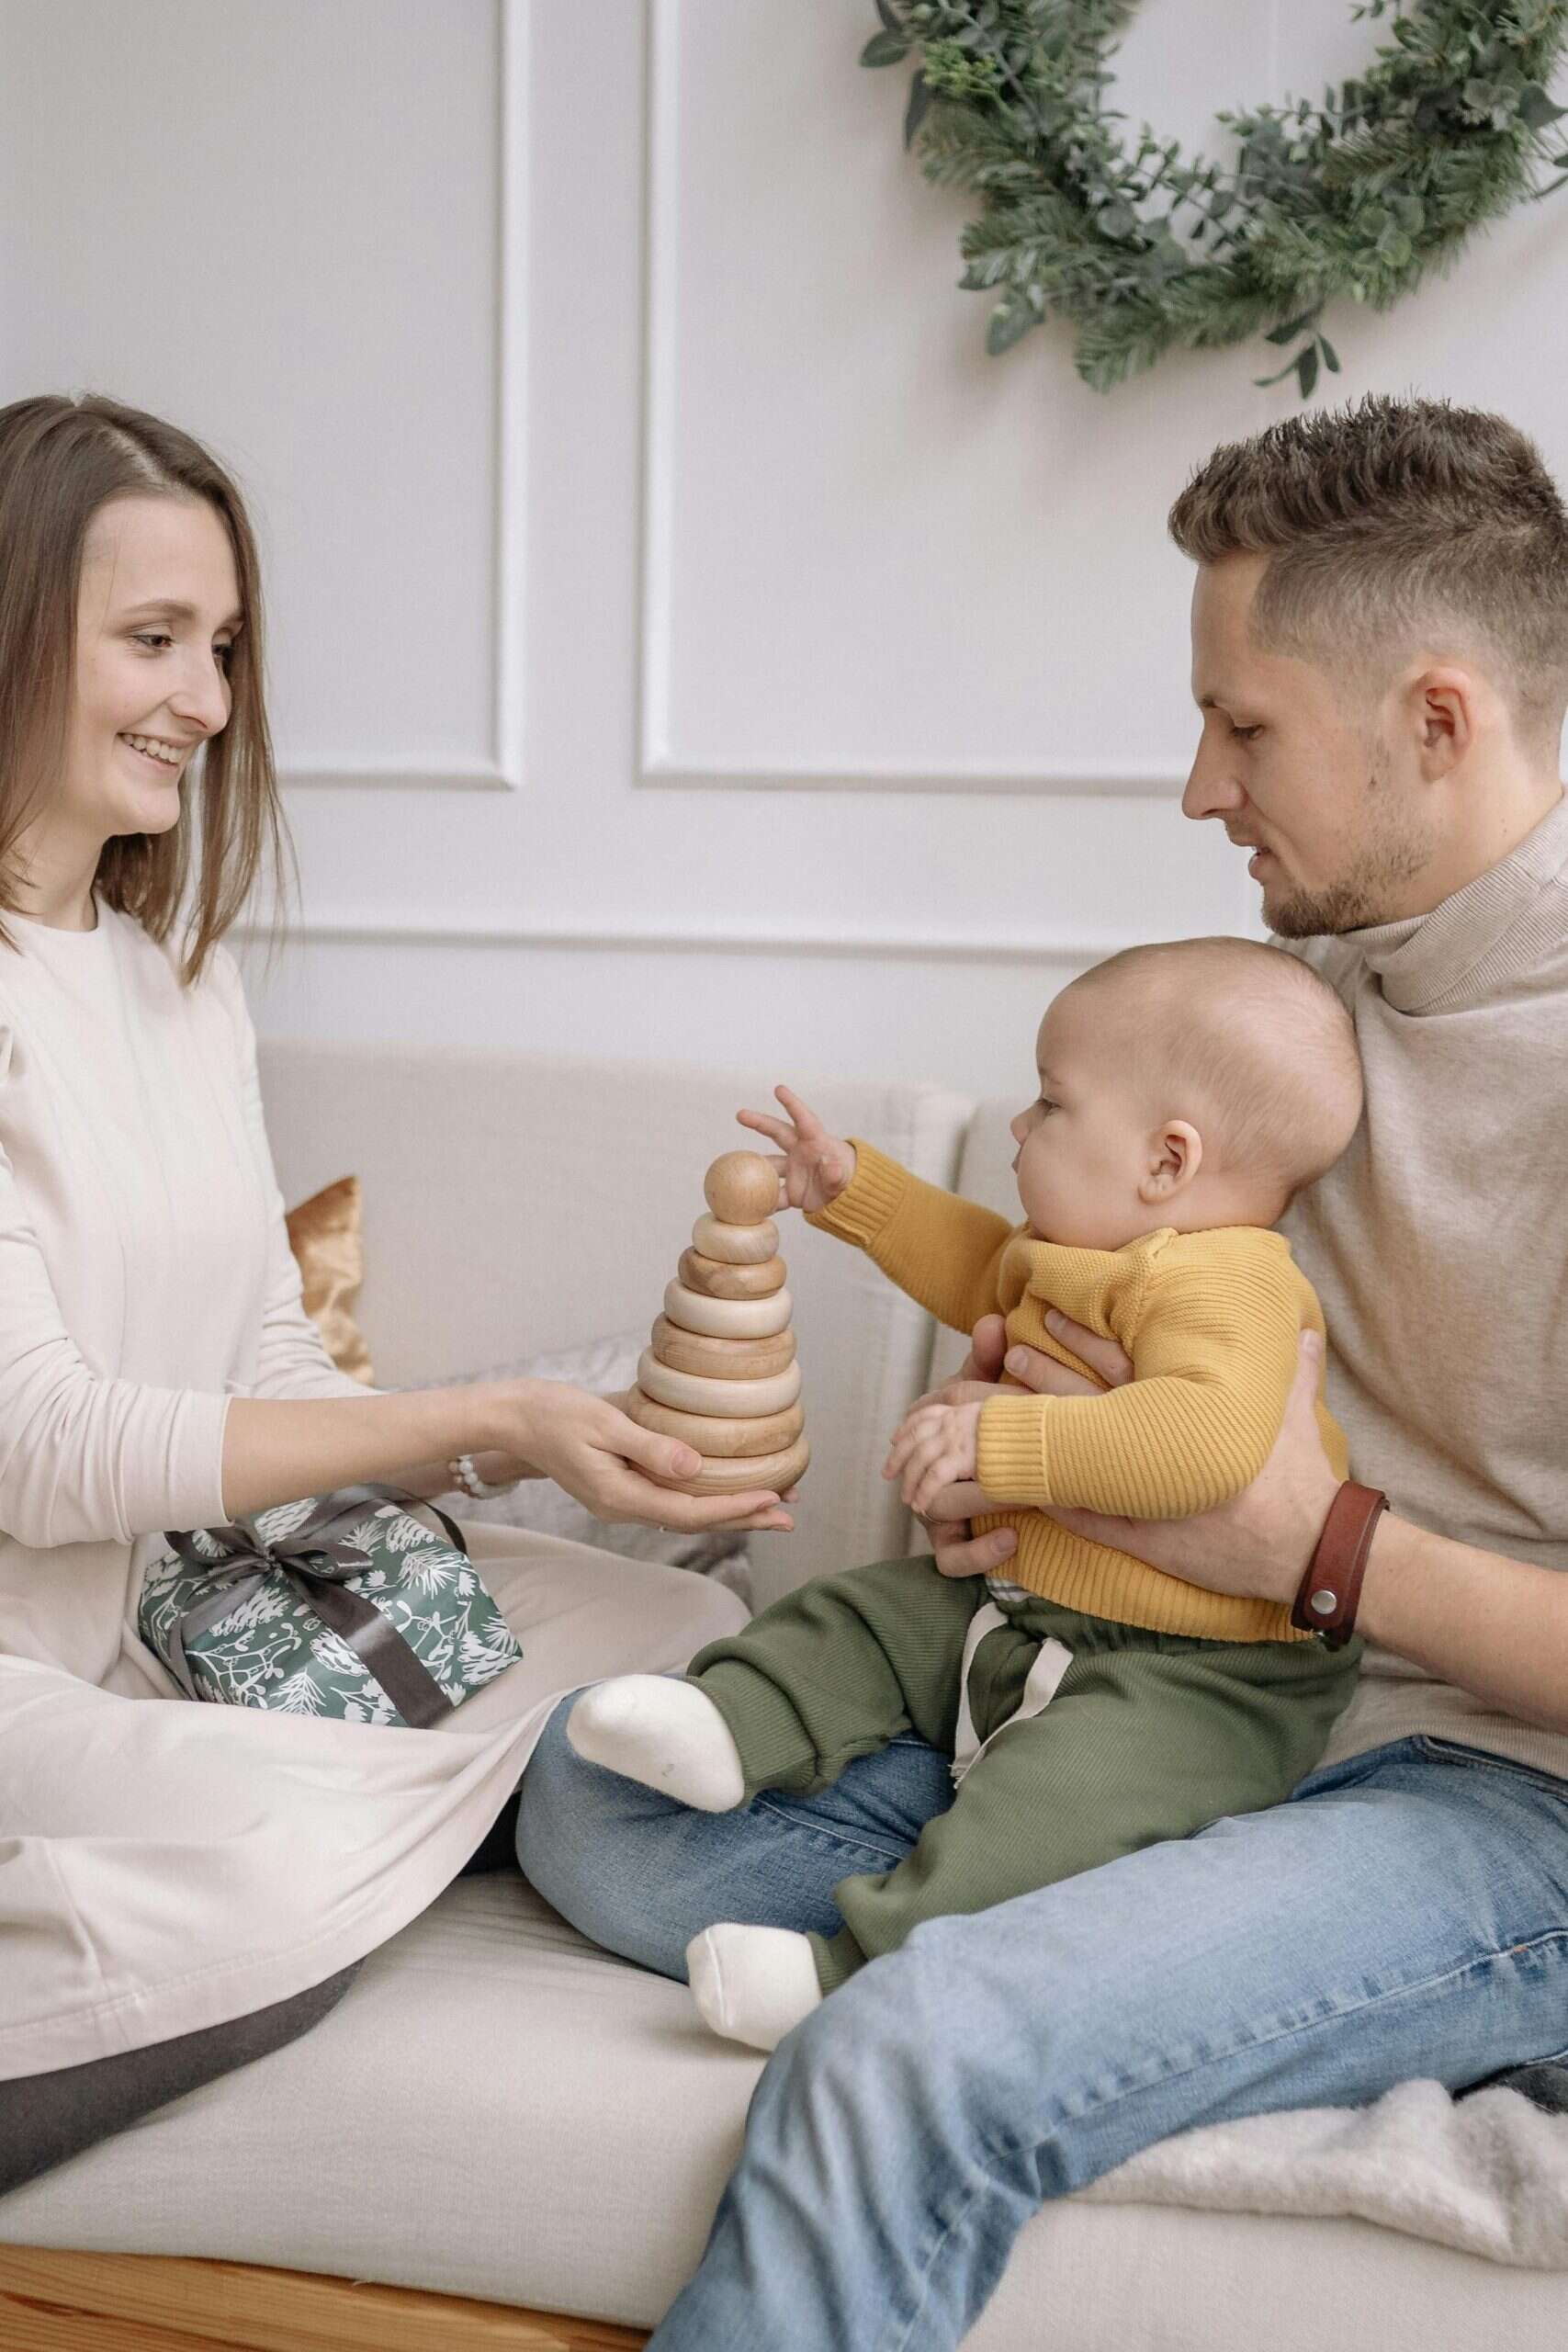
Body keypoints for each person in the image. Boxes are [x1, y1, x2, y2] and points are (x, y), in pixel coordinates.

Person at [516, 393, 1568, 2349]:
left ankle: (1027, 1978)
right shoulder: (1277, 1013)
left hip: (1501, 1798)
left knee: (912, 2045)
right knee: (593, 1798)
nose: (1194, 788)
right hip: (1179, 1705)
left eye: (1240, 726)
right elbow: (1098, 1324)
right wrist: (1044, 1445)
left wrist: (1313, 1548)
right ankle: (1121, 1939)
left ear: (1436, 717)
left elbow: (1279, 1510)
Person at [0, 391, 782, 2191]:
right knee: (282, 1838)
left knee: (673, 1642)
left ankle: (324, 1810)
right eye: (150, 640)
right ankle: (304, 1828)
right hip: (30, 1651)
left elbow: (263, 1349)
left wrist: (530, 1460)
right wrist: (487, 1413)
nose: (205, 697)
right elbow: (39, 1447)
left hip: (198, 1616)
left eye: (221, 646)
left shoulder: (173, 982)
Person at [565, 938, 1365, 2051]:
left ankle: (856, 1974)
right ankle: (729, 1723)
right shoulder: (1074, 1249)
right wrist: (858, 1191)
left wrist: (1006, 1434)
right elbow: (975, 1259)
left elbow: (1209, 1441)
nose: (1020, 1128)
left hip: (1194, 1677)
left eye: (1050, 1103)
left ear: (1167, 1160)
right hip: (1034, 1610)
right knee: (863, 1614)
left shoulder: (1226, 1279)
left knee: (1043, 1816)